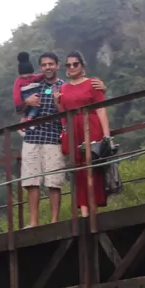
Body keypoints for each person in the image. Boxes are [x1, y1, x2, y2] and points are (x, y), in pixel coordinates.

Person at [20, 52, 106, 228]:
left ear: (57, 65)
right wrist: (25, 102)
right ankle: (34, 223)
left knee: (54, 181)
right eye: (44, 65)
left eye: (51, 64)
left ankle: (54, 222)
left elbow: (69, 107)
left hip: (55, 137)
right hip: (33, 136)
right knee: (31, 180)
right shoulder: (33, 85)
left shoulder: (63, 86)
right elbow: (17, 104)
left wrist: (103, 88)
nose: (48, 67)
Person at [55, 51, 111, 217]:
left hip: (91, 126)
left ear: (82, 65)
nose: (71, 67)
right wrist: (57, 103)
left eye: (75, 64)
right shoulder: (63, 88)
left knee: (93, 166)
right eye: (68, 65)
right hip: (73, 129)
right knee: (78, 169)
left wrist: (107, 136)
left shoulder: (93, 84)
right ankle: (84, 211)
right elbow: (63, 113)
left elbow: (101, 108)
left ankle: (93, 207)